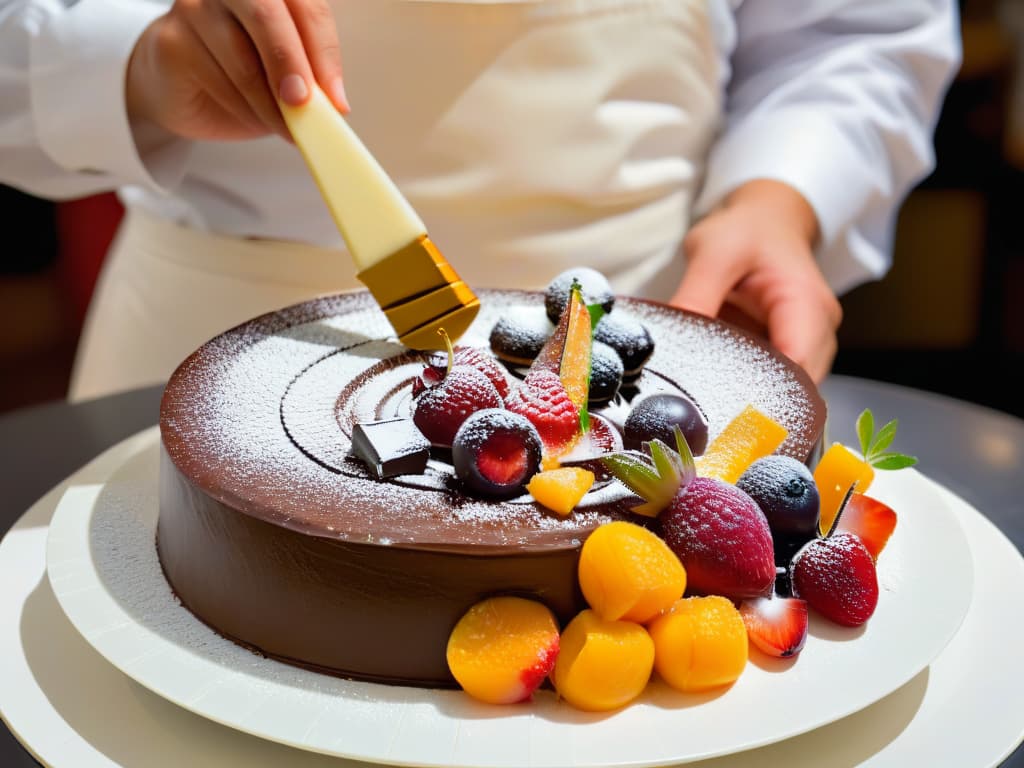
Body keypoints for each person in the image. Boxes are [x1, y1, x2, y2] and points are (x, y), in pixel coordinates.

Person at [0, 0, 960, 398]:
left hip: (641, 357)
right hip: (204, 356)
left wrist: (778, 199)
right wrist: (134, 60)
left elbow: (857, 28)